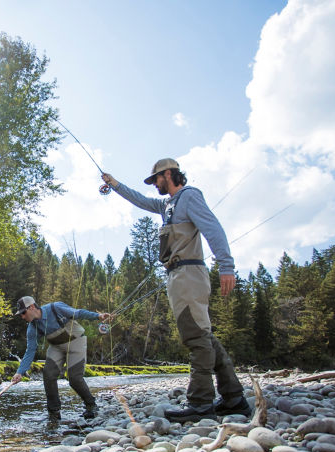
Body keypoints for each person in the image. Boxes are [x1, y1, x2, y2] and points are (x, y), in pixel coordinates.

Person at [102, 158, 252, 422]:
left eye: (156, 179)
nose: (155, 185)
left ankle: (200, 403)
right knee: (204, 336)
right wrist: (114, 184)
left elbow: (213, 228)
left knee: (196, 339)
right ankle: (234, 399)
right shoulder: (166, 205)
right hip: (179, 276)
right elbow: (139, 199)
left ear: (169, 174)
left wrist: (226, 266)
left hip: (189, 274)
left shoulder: (189, 196)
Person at [11, 296, 112, 421]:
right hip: (56, 347)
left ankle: (91, 405)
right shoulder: (32, 328)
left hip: (76, 341)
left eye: (23, 313)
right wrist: (19, 372)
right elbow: (30, 350)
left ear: (31, 307)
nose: (22, 317)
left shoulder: (55, 308)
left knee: (74, 378)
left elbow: (78, 313)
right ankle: (54, 413)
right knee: (48, 375)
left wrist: (98, 316)